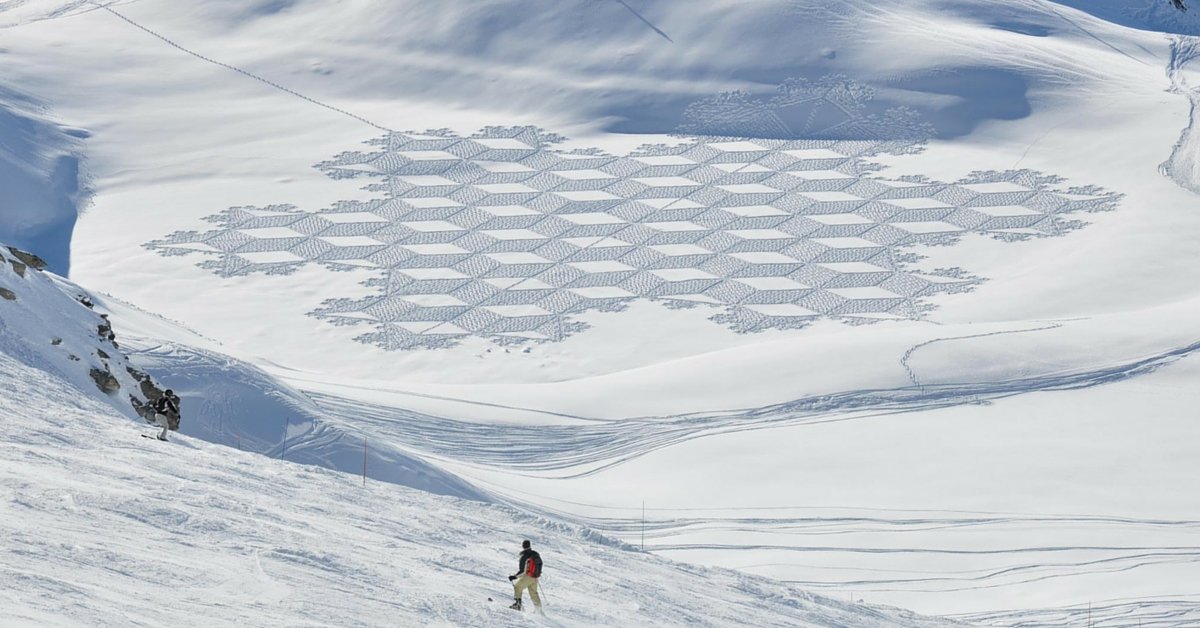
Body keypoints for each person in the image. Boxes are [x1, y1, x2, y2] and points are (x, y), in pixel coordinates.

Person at [507, 539, 542, 611]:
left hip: (528, 576)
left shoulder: (524, 556)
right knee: (533, 593)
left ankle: (517, 605)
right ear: (529, 545)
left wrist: (514, 576)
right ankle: (539, 610)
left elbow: (522, 571)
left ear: (523, 546)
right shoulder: (535, 554)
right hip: (535, 577)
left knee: (517, 587)